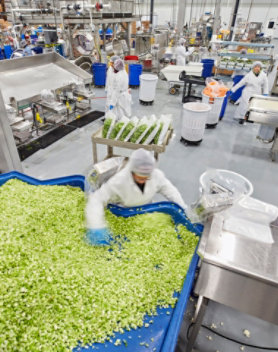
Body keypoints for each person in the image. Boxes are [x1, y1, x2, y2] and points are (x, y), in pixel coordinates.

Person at [86, 148, 188, 244]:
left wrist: (183, 208)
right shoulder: (120, 180)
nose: (143, 180)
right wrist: (97, 227)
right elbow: (96, 199)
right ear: (132, 172)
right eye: (139, 177)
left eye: (146, 177)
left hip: (147, 210)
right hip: (124, 211)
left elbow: (170, 190)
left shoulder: (156, 175)